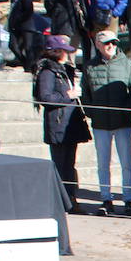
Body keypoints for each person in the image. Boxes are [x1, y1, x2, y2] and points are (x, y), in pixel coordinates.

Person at [82, 31, 131, 216]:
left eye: (113, 43)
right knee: (102, 163)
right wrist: (92, 112)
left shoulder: (126, 64)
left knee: (126, 163)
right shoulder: (89, 66)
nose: (111, 46)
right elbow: (85, 92)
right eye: (106, 43)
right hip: (100, 123)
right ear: (98, 45)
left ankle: (129, 199)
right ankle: (106, 198)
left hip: (122, 122)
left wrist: (128, 109)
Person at [35, 34, 90, 213]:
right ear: (56, 52)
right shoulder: (47, 72)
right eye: (64, 51)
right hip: (58, 124)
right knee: (60, 165)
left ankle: (70, 199)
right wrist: (69, 96)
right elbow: (45, 97)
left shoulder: (64, 69)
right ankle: (62, 201)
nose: (67, 54)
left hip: (70, 124)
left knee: (69, 164)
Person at [7, 0, 40, 73]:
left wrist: (20, 19)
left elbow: (29, 10)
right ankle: (25, 63)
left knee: (28, 47)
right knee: (13, 45)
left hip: (26, 25)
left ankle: (29, 68)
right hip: (15, 25)